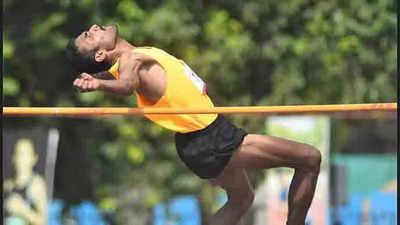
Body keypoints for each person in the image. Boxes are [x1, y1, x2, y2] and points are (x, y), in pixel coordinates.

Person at [65, 24, 321, 225]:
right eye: (90, 35)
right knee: (309, 158)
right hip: (209, 138)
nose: (96, 27)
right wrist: (98, 84)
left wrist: (94, 77)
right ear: (100, 53)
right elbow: (126, 85)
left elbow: (116, 75)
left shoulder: (128, 60)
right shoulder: (131, 61)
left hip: (198, 139)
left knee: (241, 199)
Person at [3, 139, 48, 225]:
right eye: (19, 153)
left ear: (34, 158)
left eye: (26, 153)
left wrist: (22, 210)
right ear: (14, 158)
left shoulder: (37, 184)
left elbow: (44, 221)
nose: (21, 157)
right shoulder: (7, 185)